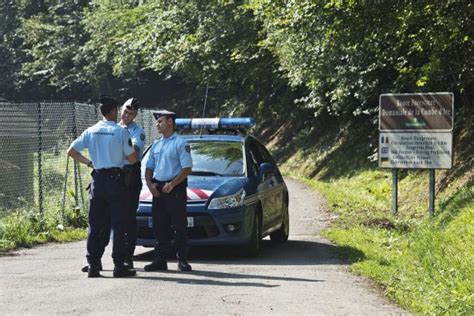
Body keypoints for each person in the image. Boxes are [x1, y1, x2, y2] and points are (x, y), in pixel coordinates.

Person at [68, 95, 138, 278]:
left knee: (95, 224)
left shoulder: (91, 130)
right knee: (119, 224)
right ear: (114, 111)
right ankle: (118, 265)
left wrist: (90, 163)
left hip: (97, 180)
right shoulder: (121, 132)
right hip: (116, 181)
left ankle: (93, 264)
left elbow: (71, 151)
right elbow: (133, 158)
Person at [144, 110, 193, 272]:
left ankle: (182, 260)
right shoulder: (156, 144)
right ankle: (160, 260)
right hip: (158, 189)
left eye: (160, 121)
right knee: (159, 226)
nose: (157, 124)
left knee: (179, 226)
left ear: (170, 122)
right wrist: (151, 185)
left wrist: (172, 184)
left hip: (175, 189)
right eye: (157, 122)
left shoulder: (180, 143)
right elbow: (149, 167)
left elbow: (187, 168)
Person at [119, 97, 145, 268]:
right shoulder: (113, 128)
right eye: (125, 111)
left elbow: (134, 153)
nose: (126, 115)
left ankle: (128, 256)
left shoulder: (137, 131)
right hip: (113, 175)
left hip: (130, 176)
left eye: (131, 113)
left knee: (128, 218)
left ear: (135, 115)